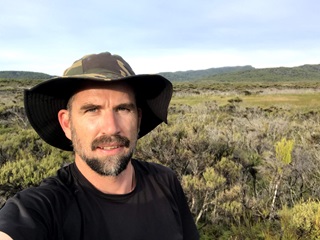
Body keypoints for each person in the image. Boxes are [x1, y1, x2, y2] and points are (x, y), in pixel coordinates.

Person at [0, 52, 199, 240]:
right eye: (93, 110)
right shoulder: (45, 207)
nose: (111, 128)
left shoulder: (164, 181)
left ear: (138, 119)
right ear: (67, 124)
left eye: (122, 108)